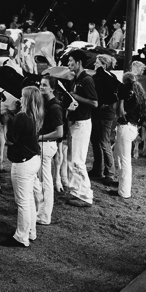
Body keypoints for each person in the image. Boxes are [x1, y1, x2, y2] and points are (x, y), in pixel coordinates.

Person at [1, 86, 43, 248]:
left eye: (22, 96)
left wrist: (5, 124)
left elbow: (10, 140)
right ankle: (30, 231)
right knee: (29, 200)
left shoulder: (21, 117)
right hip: (33, 159)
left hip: (23, 163)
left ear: (27, 99)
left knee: (23, 201)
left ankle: (21, 237)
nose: (19, 99)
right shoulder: (35, 115)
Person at [64, 50, 98, 207]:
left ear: (78, 62)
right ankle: (76, 191)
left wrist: (76, 97)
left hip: (82, 124)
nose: (68, 63)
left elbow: (94, 103)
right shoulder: (76, 79)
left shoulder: (87, 80)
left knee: (78, 161)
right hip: (75, 122)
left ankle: (85, 196)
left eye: (71, 61)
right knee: (72, 159)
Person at [111, 72, 146, 199]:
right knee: (121, 158)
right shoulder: (138, 94)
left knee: (125, 161)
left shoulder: (127, 95)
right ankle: (122, 187)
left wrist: (120, 99)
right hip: (132, 127)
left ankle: (125, 191)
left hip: (125, 127)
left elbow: (121, 113)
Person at [36, 75, 65, 225]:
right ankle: (41, 213)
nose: (41, 87)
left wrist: (39, 138)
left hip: (46, 145)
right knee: (42, 181)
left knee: (45, 182)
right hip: (45, 145)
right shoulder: (48, 103)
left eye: (45, 85)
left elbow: (59, 133)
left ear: (52, 88)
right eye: (41, 84)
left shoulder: (54, 107)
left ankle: (44, 216)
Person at [89, 54, 120, 186]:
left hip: (105, 115)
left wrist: (103, 103)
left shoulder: (109, 78)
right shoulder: (102, 77)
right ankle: (98, 169)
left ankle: (110, 173)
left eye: (97, 63)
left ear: (104, 65)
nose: (94, 65)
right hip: (98, 114)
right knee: (96, 141)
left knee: (103, 142)